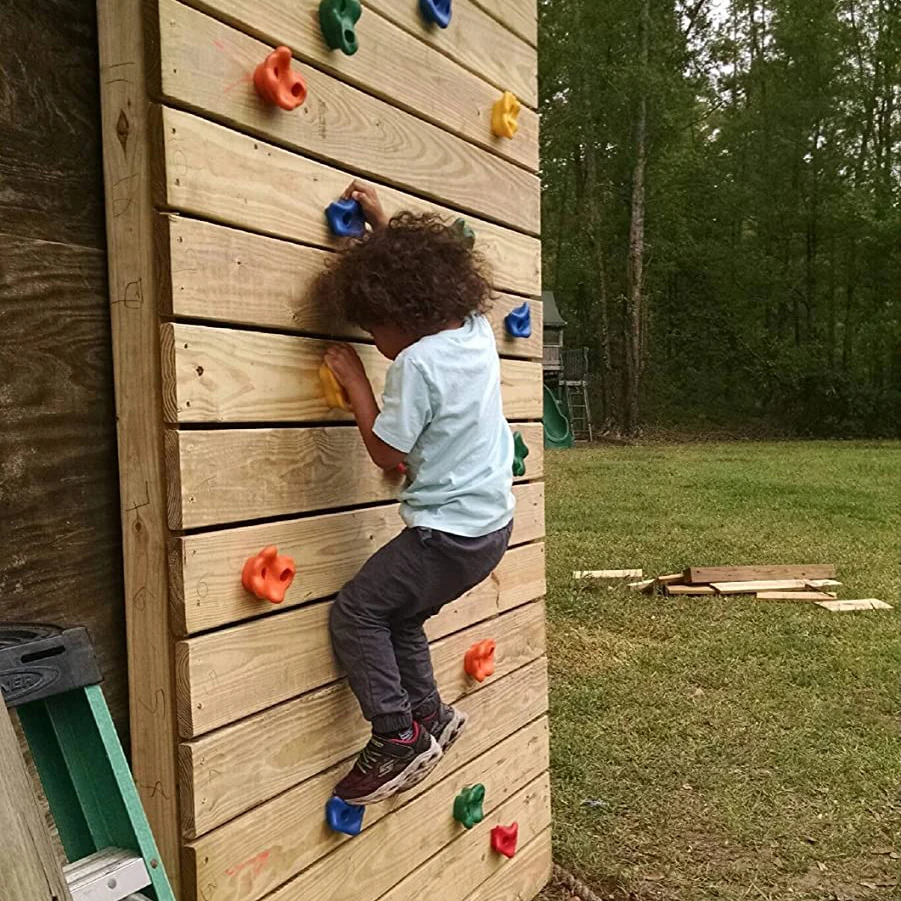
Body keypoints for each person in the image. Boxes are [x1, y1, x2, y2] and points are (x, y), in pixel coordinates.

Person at [317, 181, 515, 805]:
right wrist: (382, 226)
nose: (375, 345)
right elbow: (424, 273)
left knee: (357, 612)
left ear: (405, 318)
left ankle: (396, 736)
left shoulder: (417, 365)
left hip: (445, 535)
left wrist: (354, 382)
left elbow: (387, 453)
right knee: (399, 616)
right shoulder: (476, 330)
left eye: (375, 332)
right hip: (489, 529)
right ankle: (430, 715)